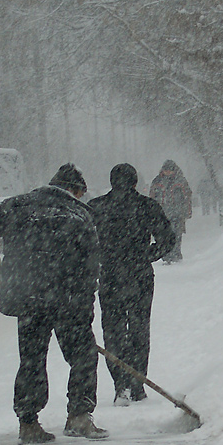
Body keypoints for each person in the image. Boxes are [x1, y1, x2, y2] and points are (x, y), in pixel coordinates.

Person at [0, 163, 109, 443]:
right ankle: (79, 417)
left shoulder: (19, 206)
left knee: (32, 360)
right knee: (83, 357)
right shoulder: (80, 215)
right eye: (80, 193)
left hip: (29, 299)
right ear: (74, 190)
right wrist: (85, 310)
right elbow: (90, 267)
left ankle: (29, 423)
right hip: (67, 301)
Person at [89, 163, 176, 405]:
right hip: (140, 276)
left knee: (114, 331)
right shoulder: (147, 206)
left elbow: (81, 240)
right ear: (135, 181)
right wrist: (148, 254)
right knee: (139, 330)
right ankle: (138, 384)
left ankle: (120, 384)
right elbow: (168, 238)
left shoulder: (97, 207)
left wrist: (98, 259)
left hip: (110, 278)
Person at [148, 159, 193, 263]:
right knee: (163, 236)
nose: (168, 172)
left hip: (178, 213)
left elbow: (187, 197)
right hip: (162, 214)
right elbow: (152, 197)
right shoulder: (157, 181)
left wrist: (187, 211)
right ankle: (166, 255)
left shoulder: (180, 181)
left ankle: (176, 254)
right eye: (166, 170)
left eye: (170, 170)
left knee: (177, 235)